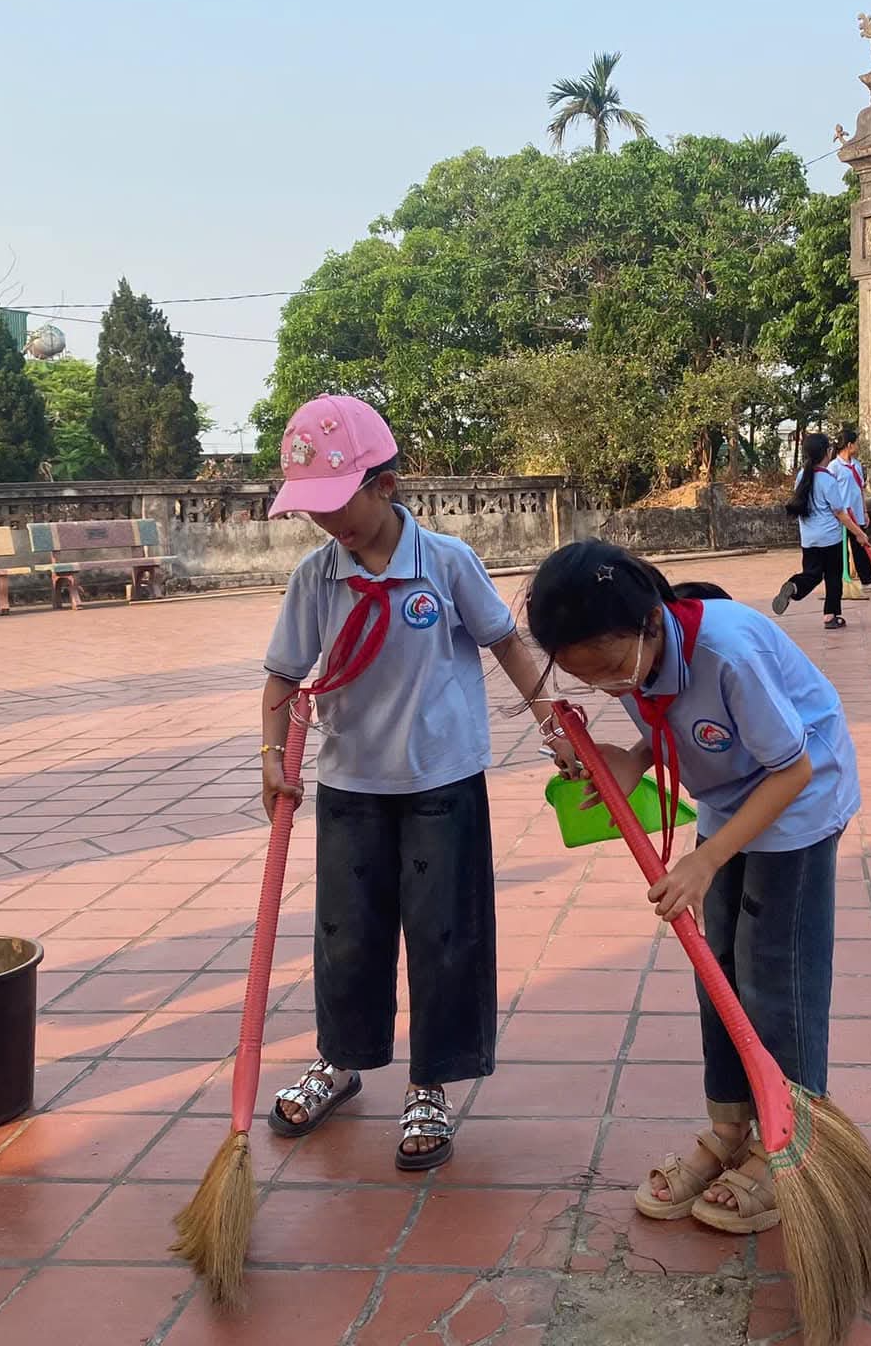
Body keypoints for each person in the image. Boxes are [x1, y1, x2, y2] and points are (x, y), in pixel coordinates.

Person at [260, 395, 560, 1172]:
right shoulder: (315, 578)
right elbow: (283, 676)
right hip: (351, 786)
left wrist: (551, 722)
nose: (327, 521)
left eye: (338, 502)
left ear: (385, 485)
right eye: (312, 508)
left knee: (445, 934)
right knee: (346, 934)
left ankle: (431, 1082)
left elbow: (506, 643)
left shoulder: (446, 563)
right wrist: (270, 755)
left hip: (441, 783)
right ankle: (341, 1059)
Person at [527, 541, 860, 1238]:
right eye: (590, 680)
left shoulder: (729, 654)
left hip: (796, 803)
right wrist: (632, 760)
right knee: (720, 974)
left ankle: (793, 1146)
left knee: (777, 977)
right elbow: (671, 723)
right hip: (728, 799)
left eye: (613, 670)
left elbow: (793, 770)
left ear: (652, 622)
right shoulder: (639, 655)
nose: (611, 689)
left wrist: (705, 862)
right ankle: (732, 1129)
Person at [774, 432, 867, 629]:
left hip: (808, 538)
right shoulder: (827, 479)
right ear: (828, 452)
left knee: (812, 574)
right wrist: (859, 533)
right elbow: (840, 513)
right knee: (833, 576)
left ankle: (795, 586)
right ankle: (830, 616)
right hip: (830, 538)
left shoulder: (802, 476)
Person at [832, 428, 871, 591]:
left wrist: (864, 511)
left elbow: (860, 489)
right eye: (856, 443)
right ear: (849, 445)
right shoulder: (834, 467)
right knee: (841, 550)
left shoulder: (857, 465)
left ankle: (867, 581)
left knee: (861, 547)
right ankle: (841, 581)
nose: (857, 446)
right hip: (842, 515)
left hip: (856, 514)